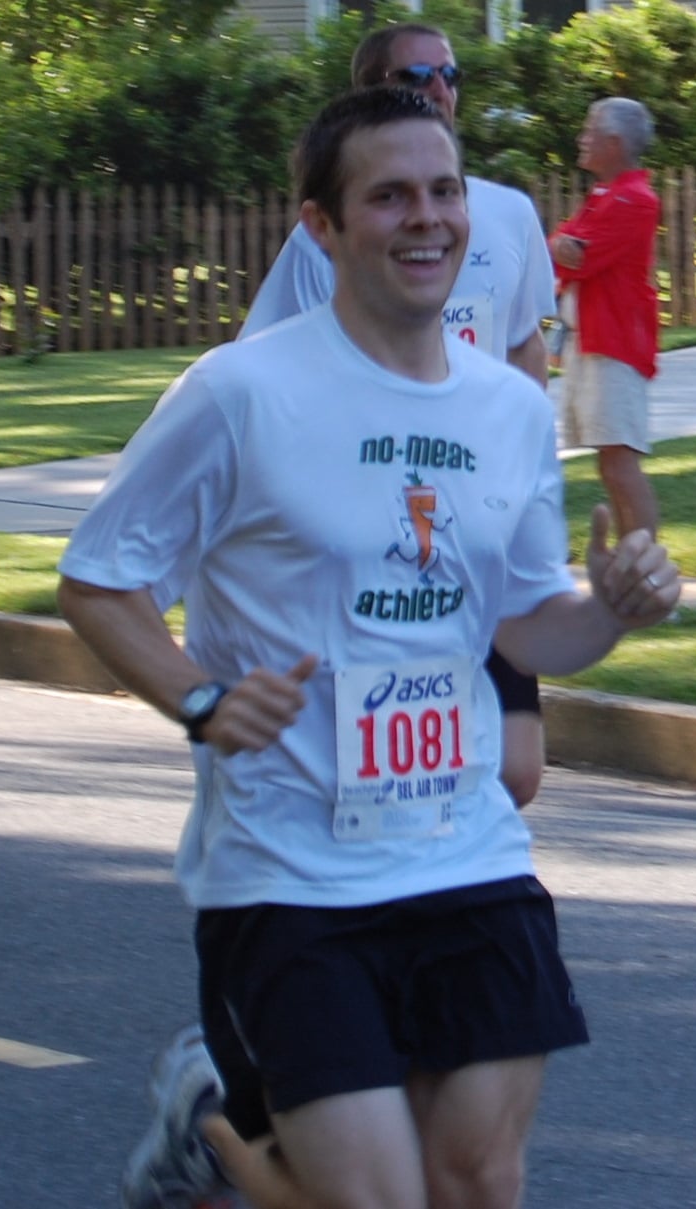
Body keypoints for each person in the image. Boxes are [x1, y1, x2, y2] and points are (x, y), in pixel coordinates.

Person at [58, 87, 680, 1209]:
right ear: (322, 228)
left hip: (466, 853)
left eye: (443, 192)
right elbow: (100, 575)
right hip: (290, 874)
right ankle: (208, 1116)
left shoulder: (507, 408)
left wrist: (614, 609)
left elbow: (528, 622)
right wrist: (197, 699)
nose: (426, 219)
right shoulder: (242, 392)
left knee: (478, 1182)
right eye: (387, 196)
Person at [241, 22, 556, 810]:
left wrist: (519, 461)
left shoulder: (506, 215)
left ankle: (445, 867)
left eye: (451, 73)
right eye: (418, 75)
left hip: (477, 512)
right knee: (389, 765)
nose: (441, 90)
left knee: (517, 767)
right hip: (381, 518)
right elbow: (282, 373)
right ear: (372, 95)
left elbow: (523, 346)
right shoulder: (334, 236)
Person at [548, 97, 661, 539]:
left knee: (619, 461)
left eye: (590, 130)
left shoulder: (633, 199)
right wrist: (561, 243)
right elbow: (561, 245)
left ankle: (647, 574)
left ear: (613, 143)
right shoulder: (606, 196)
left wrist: (562, 244)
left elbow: (580, 260)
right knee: (610, 463)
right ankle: (630, 567)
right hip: (593, 343)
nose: (582, 138)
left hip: (613, 345)